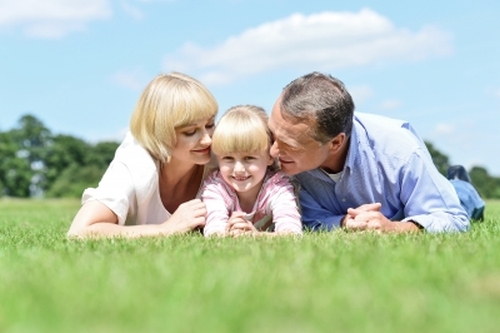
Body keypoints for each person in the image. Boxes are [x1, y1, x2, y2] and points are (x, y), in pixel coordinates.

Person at [268, 71, 470, 233]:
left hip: (432, 193)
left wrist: (396, 228)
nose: (272, 151)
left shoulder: (401, 152)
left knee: (463, 197)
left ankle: (461, 185)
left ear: (335, 143)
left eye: (289, 145)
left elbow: (454, 218)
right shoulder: (285, 157)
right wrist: (343, 223)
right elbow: (309, 221)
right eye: (272, 135)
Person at [67, 72, 219, 238]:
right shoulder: (137, 163)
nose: (207, 140)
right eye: (190, 132)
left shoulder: (223, 156)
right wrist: (166, 229)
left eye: (210, 124)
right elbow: (80, 231)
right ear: (160, 133)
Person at [202, 105, 302, 237]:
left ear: (269, 156)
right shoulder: (216, 187)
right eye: (228, 158)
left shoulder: (277, 187)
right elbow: (213, 231)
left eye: (249, 158)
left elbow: (292, 233)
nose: (238, 169)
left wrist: (254, 236)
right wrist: (228, 232)